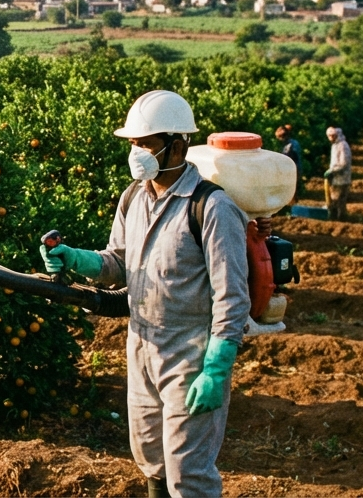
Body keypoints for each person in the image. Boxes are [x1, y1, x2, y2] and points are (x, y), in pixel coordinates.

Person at [42, 90, 250, 498]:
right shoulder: (133, 197)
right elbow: (119, 262)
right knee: (151, 457)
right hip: (140, 344)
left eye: (145, 144)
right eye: (133, 143)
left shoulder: (210, 207)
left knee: (188, 471)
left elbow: (232, 297)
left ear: (177, 146)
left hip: (189, 352)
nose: (136, 153)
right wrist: (75, 258)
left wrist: (216, 368)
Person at [324, 127, 352, 221]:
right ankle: (339, 218)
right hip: (336, 178)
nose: (331, 138)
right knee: (337, 200)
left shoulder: (342, 145)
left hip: (341, 179)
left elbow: (343, 163)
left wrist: (332, 171)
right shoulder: (335, 145)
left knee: (337, 200)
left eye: (333, 135)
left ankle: (338, 220)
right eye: (329, 136)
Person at [274, 125, 302, 192]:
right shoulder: (295, 142)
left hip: (291, 171)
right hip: (296, 169)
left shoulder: (289, 146)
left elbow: (289, 159)